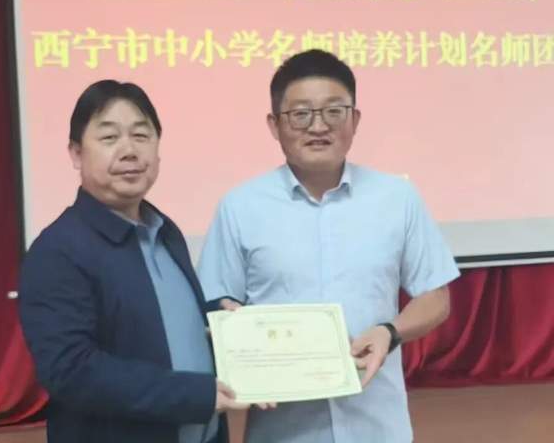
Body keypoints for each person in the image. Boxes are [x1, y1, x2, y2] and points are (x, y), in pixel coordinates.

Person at [197, 50, 460, 443]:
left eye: (334, 111)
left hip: (378, 426)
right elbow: (217, 305)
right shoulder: (240, 207)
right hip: (283, 431)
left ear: (355, 120)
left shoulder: (397, 198)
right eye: (301, 114)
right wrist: (238, 336)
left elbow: (435, 298)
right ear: (274, 125)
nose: (318, 126)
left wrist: (390, 331)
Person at [19, 80, 247, 443]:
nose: (129, 151)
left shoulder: (165, 231)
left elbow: (164, 324)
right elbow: (71, 370)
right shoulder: (57, 250)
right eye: (109, 138)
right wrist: (194, 395)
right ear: (76, 154)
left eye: (141, 135)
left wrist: (220, 321)